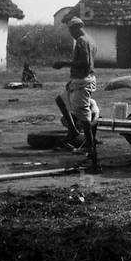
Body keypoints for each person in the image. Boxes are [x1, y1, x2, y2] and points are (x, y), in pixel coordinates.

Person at [53, 17, 100, 172]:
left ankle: (92, 153)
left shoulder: (81, 40)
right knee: (60, 99)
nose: (71, 34)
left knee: (84, 117)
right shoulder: (91, 40)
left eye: (70, 31)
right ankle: (73, 130)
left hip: (83, 81)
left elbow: (85, 63)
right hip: (80, 80)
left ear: (75, 29)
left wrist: (63, 63)